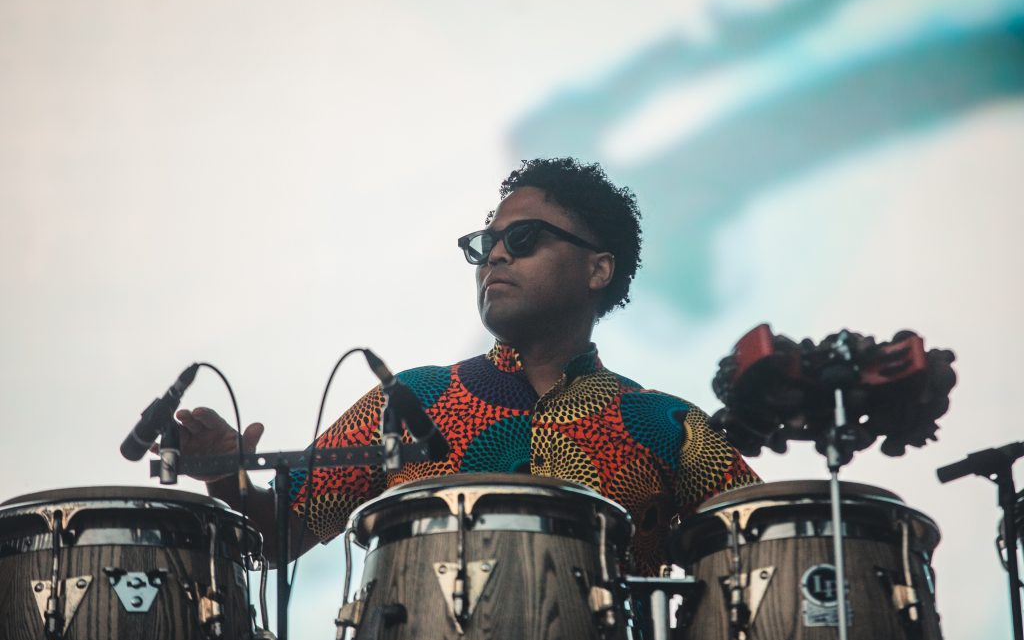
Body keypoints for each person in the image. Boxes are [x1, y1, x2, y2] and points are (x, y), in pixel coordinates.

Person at [173, 157, 759, 575]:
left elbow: (767, 554)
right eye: (487, 243)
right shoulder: (411, 400)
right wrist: (226, 477)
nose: (496, 254)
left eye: (525, 237)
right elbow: (280, 534)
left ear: (597, 270)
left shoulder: (670, 425)